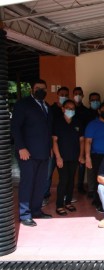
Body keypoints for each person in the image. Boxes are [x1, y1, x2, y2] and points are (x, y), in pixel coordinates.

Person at [11, 79, 53, 226]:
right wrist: (21, 147)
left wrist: (50, 149)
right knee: (27, 183)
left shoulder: (46, 106)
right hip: (27, 152)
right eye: (37, 88)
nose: (40, 90)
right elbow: (15, 127)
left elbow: (48, 130)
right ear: (31, 90)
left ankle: (36, 211)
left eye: (43, 88)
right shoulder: (23, 105)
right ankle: (25, 214)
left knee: (40, 183)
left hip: (43, 152)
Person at [52, 100, 85, 215]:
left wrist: (81, 156)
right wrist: (58, 157)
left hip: (74, 157)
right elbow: (54, 141)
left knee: (71, 180)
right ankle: (59, 205)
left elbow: (81, 141)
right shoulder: (58, 122)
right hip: (62, 157)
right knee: (64, 179)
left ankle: (68, 202)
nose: (70, 110)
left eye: (72, 108)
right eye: (68, 108)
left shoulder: (77, 122)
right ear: (63, 109)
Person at [43, 86, 70, 206]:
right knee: (48, 174)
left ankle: (65, 195)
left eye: (66, 94)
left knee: (64, 175)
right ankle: (45, 195)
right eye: (61, 94)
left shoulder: (70, 108)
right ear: (58, 94)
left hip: (64, 149)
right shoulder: (50, 109)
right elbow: (47, 128)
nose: (63, 96)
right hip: (51, 147)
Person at [72, 87, 90, 195]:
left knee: (82, 164)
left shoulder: (86, 111)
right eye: (75, 93)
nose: (78, 95)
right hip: (70, 142)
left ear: (83, 96)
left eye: (79, 94)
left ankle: (80, 186)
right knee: (69, 166)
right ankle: (68, 188)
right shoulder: (69, 110)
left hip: (83, 140)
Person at [85, 92, 101, 198]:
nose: (95, 102)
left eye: (97, 99)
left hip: (101, 148)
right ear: (89, 101)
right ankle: (91, 189)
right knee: (90, 169)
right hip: (90, 145)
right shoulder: (86, 113)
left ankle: (99, 189)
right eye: (92, 100)